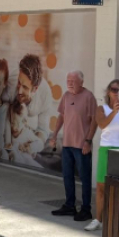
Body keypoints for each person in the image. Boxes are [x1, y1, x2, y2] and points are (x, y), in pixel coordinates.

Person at [48, 71, 97, 222]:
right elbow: (61, 116)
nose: (69, 83)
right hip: (67, 144)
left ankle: (86, 209)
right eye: (68, 80)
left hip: (81, 145)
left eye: (73, 81)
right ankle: (70, 205)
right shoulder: (66, 96)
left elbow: (94, 120)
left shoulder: (88, 97)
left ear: (81, 82)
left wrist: (88, 141)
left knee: (84, 177)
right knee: (67, 176)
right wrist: (55, 134)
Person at [86, 79, 119, 232]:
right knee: (101, 186)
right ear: (108, 92)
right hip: (106, 148)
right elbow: (102, 124)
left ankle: (117, 218)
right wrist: (114, 111)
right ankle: (98, 219)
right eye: (114, 89)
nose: (117, 93)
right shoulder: (102, 108)